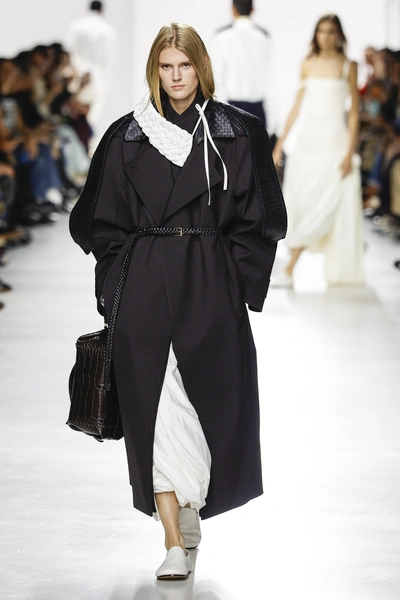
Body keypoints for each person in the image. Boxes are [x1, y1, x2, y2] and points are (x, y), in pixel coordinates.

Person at [69, 23, 286, 580]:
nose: (175, 77)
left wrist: (235, 282)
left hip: (208, 284)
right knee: (156, 412)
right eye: (165, 67)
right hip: (143, 286)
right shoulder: (126, 135)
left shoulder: (235, 132)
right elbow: (101, 220)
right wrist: (116, 282)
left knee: (202, 408)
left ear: (200, 67)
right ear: (154, 71)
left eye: (184, 66)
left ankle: (188, 518)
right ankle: (172, 539)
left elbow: (260, 218)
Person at [272, 14, 364, 287]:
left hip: (335, 142)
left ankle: (290, 269)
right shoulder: (308, 64)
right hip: (308, 143)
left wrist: (349, 151)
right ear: (316, 35)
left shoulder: (348, 66)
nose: (326, 36)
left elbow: (354, 113)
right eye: (321, 31)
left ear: (339, 35)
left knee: (326, 202)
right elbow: (296, 107)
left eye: (331, 31)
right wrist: (280, 145)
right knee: (302, 201)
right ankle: (289, 265)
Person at [210, 0, 274, 129]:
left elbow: (216, 78)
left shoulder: (221, 37)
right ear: (253, 9)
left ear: (233, 9)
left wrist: (219, 118)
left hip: (231, 108)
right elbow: (272, 80)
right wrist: (273, 123)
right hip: (258, 108)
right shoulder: (264, 37)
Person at [66, 1, 116, 148]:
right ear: (102, 10)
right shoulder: (109, 30)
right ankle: (87, 149)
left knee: (75, 113)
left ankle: (79, 149)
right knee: (92, 115)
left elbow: (70, 51)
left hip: (79, 76)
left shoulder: (76, 26)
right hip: (99, 77)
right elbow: (108, 59)